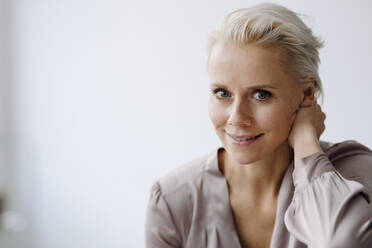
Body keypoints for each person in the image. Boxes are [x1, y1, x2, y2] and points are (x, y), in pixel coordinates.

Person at [145, 3, 372, 248]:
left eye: (261, 94)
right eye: (222, 93)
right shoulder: (172, 200)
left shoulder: (352, 172)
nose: (236, 118)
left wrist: (306, 138)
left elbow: (340, 242)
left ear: (307, 93)